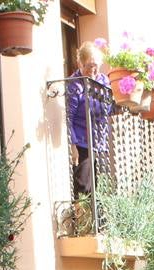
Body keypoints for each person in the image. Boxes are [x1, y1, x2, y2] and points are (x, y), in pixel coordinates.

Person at [65, 41, 111, 199]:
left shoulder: (104, 82)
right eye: (89, 65)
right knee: (84, 189)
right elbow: (68, 118)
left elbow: (110, 108)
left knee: (101, 190)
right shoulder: (74, 85)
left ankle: (98, 223)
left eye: (96, 65)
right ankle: (84, 223)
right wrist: (73, 146)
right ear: (80, 63)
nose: (93, 69)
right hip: (82, 145)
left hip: (100, 143)